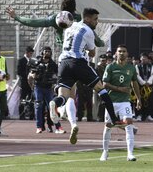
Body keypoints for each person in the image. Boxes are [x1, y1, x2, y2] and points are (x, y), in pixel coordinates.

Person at [48, 8, 123, 145]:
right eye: (95, 19)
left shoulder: (70, 27)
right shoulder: (88, 31)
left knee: (63, 96)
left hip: (63, 63)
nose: (97, 22)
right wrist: (88, 50)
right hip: (78, 63)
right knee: (102, 89)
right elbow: (93, 53)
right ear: (87, 19)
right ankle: (114, 119)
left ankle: (54, 103)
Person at [5, 0, 105, 47]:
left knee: (65, 84)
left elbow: (34, 22)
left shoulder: (57, 18)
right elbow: (92, 34)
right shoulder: (79, 18)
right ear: (74, 8)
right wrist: (100, 42)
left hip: (64, 53)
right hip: (79, 54)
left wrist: (16, 17)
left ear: (62, 7)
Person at [100, 44, 142, 162]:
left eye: (124, 51)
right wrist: (120, 89)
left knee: (128, 125)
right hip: (111, 101)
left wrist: (138, 98)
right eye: (119, 51)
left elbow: (134, 84)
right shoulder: (110, 67)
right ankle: (105, 152)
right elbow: (104, 84)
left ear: (127, 54)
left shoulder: (131, 68)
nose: (122, 53)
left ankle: (130, 154)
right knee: (108, 127)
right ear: (116, 54)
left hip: (125, 102)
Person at [27, 46, 65, 134]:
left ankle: (58, 126)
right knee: (38, 105)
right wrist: (32, 82)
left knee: (52, 106)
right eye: (45, 51)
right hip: (38, 86)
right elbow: (30, 74)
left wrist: (55, 82)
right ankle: (39, 126)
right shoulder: (37, 62)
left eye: (49, 51)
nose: (47, 53)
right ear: (42, 52)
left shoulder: (53, 64)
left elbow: (59, 75)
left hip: (48, 87)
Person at [17, 46, 34, 120]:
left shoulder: (32, 61)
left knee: (31, 99)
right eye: (30, 53)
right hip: (24, 83)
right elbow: (19, 72)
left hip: (31, 84)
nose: (31, 55)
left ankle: (31, 114)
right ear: (26, 53)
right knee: (22, 99)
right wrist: (27, 76)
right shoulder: (21, 61)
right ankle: (21, 114)